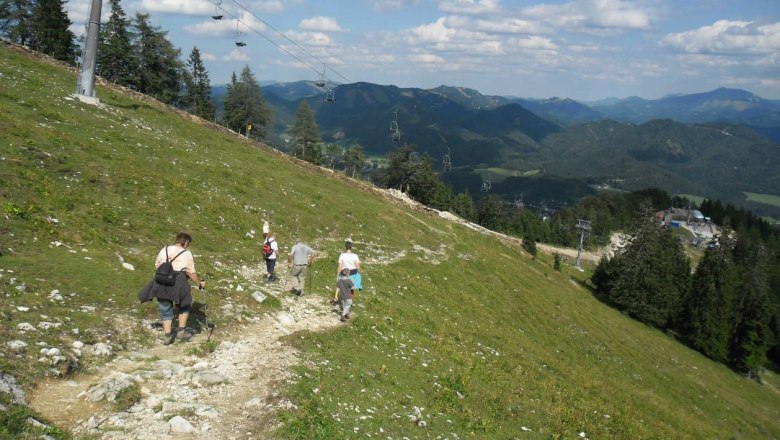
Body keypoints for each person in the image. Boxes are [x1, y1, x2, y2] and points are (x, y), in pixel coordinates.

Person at [138, 232, 205, 343]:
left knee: (165, 307)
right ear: (186, 242)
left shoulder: (165, 249)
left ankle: (168, 336)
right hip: (178, 280)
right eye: (189, 244)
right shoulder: (186, 253)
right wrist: (199, 283)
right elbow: (191, 272)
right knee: (185, 304)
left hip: (161, 281)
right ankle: (181, 332)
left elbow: (157, 265)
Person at [333, 239, 362, 303]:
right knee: (351, 288)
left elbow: (340, 266)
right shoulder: (355, 256)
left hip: (344, 272)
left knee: (341, 286)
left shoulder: (342, 255)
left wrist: (337, 275)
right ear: (351, 247)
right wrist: (359, 273)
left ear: (345, 247)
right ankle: (350, 302)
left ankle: (337, 298)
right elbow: (358, 266)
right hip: (353, 273)